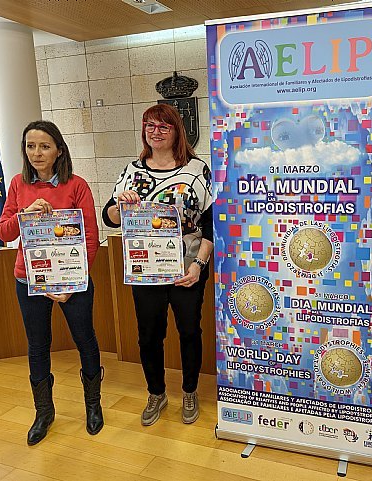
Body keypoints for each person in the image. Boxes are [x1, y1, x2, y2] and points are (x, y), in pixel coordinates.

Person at [102, 103, 213, 425]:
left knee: (189, 331)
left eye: (163, 126)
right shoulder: (132, 170)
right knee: (149, 336)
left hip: (186, 270)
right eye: (149, 125)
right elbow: (108, 217)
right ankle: (156, 393)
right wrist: (118, 207)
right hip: (145, 269)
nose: (155, 131)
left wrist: (198, 266)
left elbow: (211, 224)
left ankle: (190, 391)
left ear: (177, 130)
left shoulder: (196, 170)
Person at [0, 120, 104, 445]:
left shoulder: (77, 185)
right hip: (29, 279)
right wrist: (25, 213)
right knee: (37, 345)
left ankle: (93, 405)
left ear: (59, 150)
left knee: (85, 340)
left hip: (73, 283)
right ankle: (44, 412)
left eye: (44, 146)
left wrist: (71, 283)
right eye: (30, 146)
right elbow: (4, 233)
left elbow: (90, 238)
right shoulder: (18, 184)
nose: (36, 153)